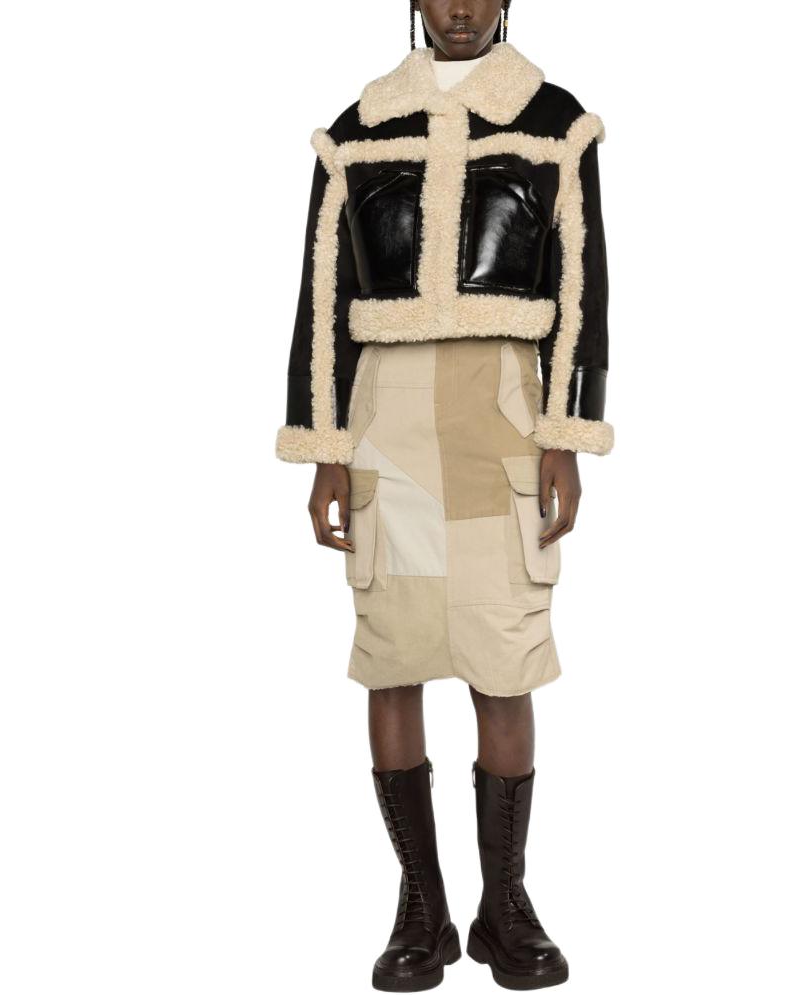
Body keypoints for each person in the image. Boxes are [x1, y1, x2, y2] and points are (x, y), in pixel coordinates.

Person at [274, 1, 612, 989]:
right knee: (394, 657)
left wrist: (566, 433)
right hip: (386, 417)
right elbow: (321, 296)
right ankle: (420, 906)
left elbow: (584, 285)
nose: (458, 8)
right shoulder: (356, 130)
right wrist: (325, 448)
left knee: (505, 662)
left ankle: (504, 906)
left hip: (502, 408)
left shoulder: (554, 121)